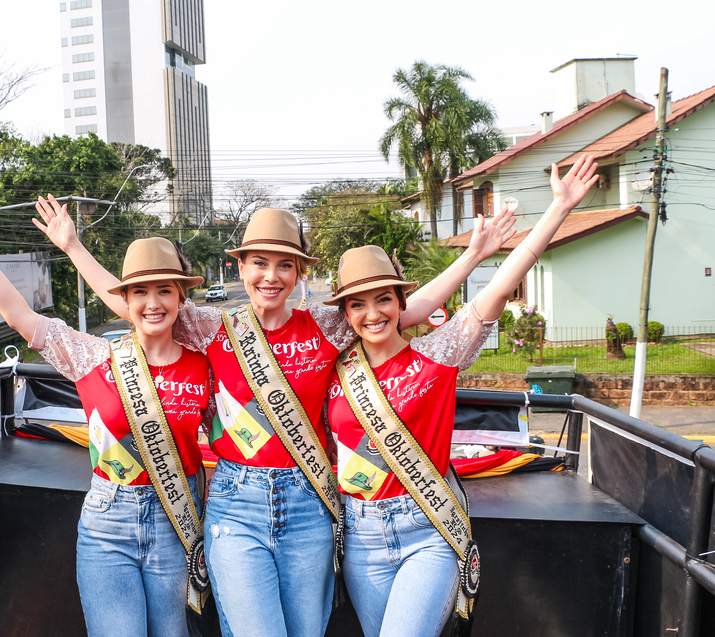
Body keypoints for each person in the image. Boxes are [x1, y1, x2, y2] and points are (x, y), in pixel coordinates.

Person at [33, 198, 515, 637]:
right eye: (259, 262)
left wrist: (472, 255)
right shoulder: (212, 326)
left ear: (300, 273)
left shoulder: (326, 325)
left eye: (285, 265)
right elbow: (137, 302)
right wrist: (73, 247)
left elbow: (405, 308)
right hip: (234, 504)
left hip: (308, 503)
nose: (271, 276)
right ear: (239, 265)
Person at [325, 155, 600, 637]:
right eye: (358, 304)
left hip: (427, 529)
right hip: (360, 534)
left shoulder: (438, 354)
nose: (373, 314)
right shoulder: (335, 368)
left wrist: (557, 209)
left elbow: (499, 286)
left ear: (400, 302)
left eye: (383, 299)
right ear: (345, 313)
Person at [0, 192, 211, 637]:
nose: (152, 303)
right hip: (108, 524)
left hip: (177, 521)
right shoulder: (93, 356)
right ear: (124, 300)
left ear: (182, 298)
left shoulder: (205, 364)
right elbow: (18, 316)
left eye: (165, 290)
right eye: (139, 292)